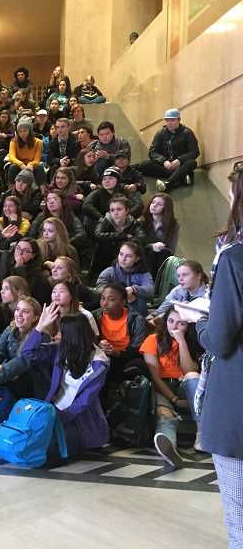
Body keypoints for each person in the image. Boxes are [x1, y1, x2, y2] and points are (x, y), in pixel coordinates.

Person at [176, 167, 243, 546]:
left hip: (237, 399)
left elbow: (220, 341)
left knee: (239, 515)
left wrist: (198, 321)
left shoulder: (234, 258)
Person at [21, 306, 110, 460]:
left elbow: (83, 402)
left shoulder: (99, 364)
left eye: (62, 332)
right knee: (27, 442)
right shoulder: (61, 351)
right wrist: (40, 327)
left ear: (72, 337)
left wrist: (56, 420)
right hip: (54, 411)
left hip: (79, 421)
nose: (57, 335)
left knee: (45, 450)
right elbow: (28, 353)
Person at [140, 307, 202, 467]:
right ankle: (168, 446)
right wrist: (173, 399)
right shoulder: (152, 340)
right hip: (162, 386)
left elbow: (190, 370)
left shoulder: (191, 342)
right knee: (164, 413)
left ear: (188, 325)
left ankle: (201, 433)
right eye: (170, 321)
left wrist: (181, 341)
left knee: (193, 376)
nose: (174, 327)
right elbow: (155, 377)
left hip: (184, 385)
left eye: (180, 323)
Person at [0, 296, 45, 398]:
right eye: (18, 309)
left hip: (30, 385)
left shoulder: (41, 337)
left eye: (25, 311)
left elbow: (21, 363)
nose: (19, 314)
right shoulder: (10, 329)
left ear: (35, 317)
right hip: (8, 377)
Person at [92, 281, 146, 386]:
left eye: (111, 299)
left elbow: (138, 350)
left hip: (125, 358)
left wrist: (117, 353)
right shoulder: (95, 316)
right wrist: (98, 345)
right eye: (103, 298)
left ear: (123, 302)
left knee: (137, 365)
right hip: (100, 357)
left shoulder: (136, 320)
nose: (105, 303)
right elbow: (88, 341)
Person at [138, 108, 200, 192]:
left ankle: (168, 183)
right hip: (166, 166)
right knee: (144, 165)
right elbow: (152, 152)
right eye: (167, 120)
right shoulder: (160, 133)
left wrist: (180, 160)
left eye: (172, 120)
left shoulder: (187, 133)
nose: (169, 123)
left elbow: (195, 152)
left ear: (179, 120)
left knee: (192, 163)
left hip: (180, 165)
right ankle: (181, 177)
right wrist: (163, 161)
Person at [96, 241, 154, 315]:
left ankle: (136, 322)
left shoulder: (143, 273)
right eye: (121, 254)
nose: (123, 259)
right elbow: (100, 283)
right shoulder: (111, 270)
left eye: (128, 256)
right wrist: (114, 294)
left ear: (137, 259)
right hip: (114, 306)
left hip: (135, 308)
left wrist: (134, 289)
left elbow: (150, 289)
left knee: (139, 297)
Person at [141, 193, 180, 276]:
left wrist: (160, 247)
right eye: (153, 202)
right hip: (145, 255)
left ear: (166, 208)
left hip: (162, 257)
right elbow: (139, 244)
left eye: (159, 204)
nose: (154, 205)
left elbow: (171, 248)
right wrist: (152, 246)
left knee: (163, 254)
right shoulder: (142, 222)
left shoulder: (173, 225)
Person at [6, 120, 45, 186]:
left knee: (39, 167)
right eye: (20, 132)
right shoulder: (14, 141)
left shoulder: (38, 142)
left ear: (29, 131)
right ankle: (11, 190)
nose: (22, 133)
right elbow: (11, 156)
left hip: (31, 164)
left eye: (25, 131)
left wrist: (31, 164)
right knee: (13, 167)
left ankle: (43, 190)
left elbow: (37, 159)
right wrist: (21, 164)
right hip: (19, 163)